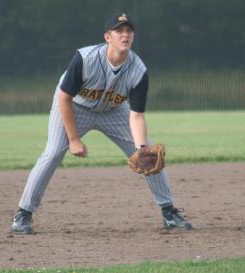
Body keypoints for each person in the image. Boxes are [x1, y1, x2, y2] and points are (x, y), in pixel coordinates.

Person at [11, 13, 192, 234]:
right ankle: (23, 214)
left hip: (113, 111)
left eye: (129, 31)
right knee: (53, 152)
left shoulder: (138, 71)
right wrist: (74, 139)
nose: (125, 34)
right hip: (75, 107)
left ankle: (169, 213)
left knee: (148, 156)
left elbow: (136, 115)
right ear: (108, 37)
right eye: (119, 31)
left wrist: (141, 148)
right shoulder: (85, 58)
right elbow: (64, 99)